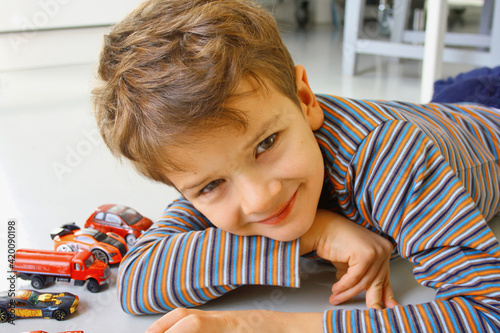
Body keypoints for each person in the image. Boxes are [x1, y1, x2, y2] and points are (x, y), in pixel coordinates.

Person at [92, 0, 500, 331]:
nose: (259, 199)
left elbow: (488, 310)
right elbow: (136, 279)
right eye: (211, 186)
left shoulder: (389, 155)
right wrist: (316, 232)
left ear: (305, 100)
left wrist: (271, 325)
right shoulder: (212, 165)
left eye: (266, 143)